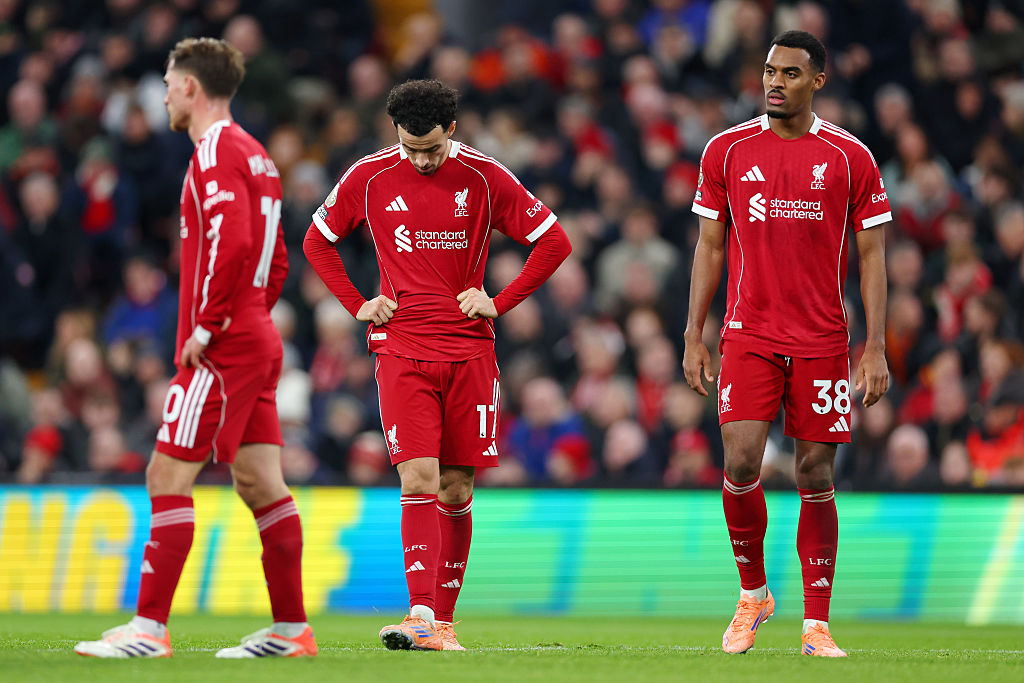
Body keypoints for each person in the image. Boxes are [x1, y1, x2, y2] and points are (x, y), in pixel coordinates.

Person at [304, 79, 572, 651]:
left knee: (455, 486)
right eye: (410, 148)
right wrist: (358, 303)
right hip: (401, 347)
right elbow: (316, 241)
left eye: (431, 148)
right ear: (394, 134)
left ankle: (443, 624)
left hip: (471, 350)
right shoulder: (370, 175)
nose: (421, 160)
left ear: (452, 129)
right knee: (417, 477)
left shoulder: (483, 175)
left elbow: (553, 242)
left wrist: (500, 301)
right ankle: (421, 614)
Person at [75, 38, 314, 659]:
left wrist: (207, 328)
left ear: (189, 88)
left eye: (166, 83)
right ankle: (291, 629)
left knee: (164, 474)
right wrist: (255, 312)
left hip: (224, 344)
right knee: (262, 482)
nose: (161, 95)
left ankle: (149, 629)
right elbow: (276, 254)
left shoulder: (213, 153)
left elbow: (233, 245)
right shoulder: (257, 156)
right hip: (255, 335)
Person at [683, 31, 890, 658]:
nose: (775, 82)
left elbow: (874, 256)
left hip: (823, 336)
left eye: (791, 73)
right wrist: (694, 332)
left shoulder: (851, 157)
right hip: (749, 332)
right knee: (741, 460)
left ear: (817, 80)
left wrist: (874, 346)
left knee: (814, 472)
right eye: (770, 71)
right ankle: (753, 594)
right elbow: (710, 247)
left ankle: (816, 624)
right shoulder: (726, 149)